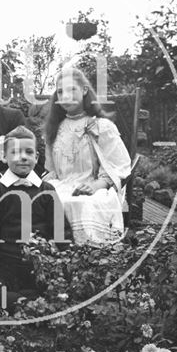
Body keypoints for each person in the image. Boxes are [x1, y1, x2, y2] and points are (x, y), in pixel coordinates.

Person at [0, 126, 70, 313]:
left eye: (29, 152)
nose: (23, 157)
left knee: (62, 285)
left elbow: (61, 232)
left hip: (38, 265)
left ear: (36, 157)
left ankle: (25, 302)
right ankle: (30, 304)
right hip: (6, 264)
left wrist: (68, 262)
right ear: (4, 156)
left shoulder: (47, 190)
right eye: (16, 152)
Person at [43, 67, 131, 243]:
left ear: (84, 90)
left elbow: (120, 165)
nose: (65, 96)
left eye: (71, 90)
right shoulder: (55, 129)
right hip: (61, 185)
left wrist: (97, 185)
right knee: (42, 200)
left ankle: (88, 252)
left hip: (94, 187)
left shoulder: (100, 126)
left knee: (80, 203)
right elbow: (52, 170)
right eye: (60, 92)